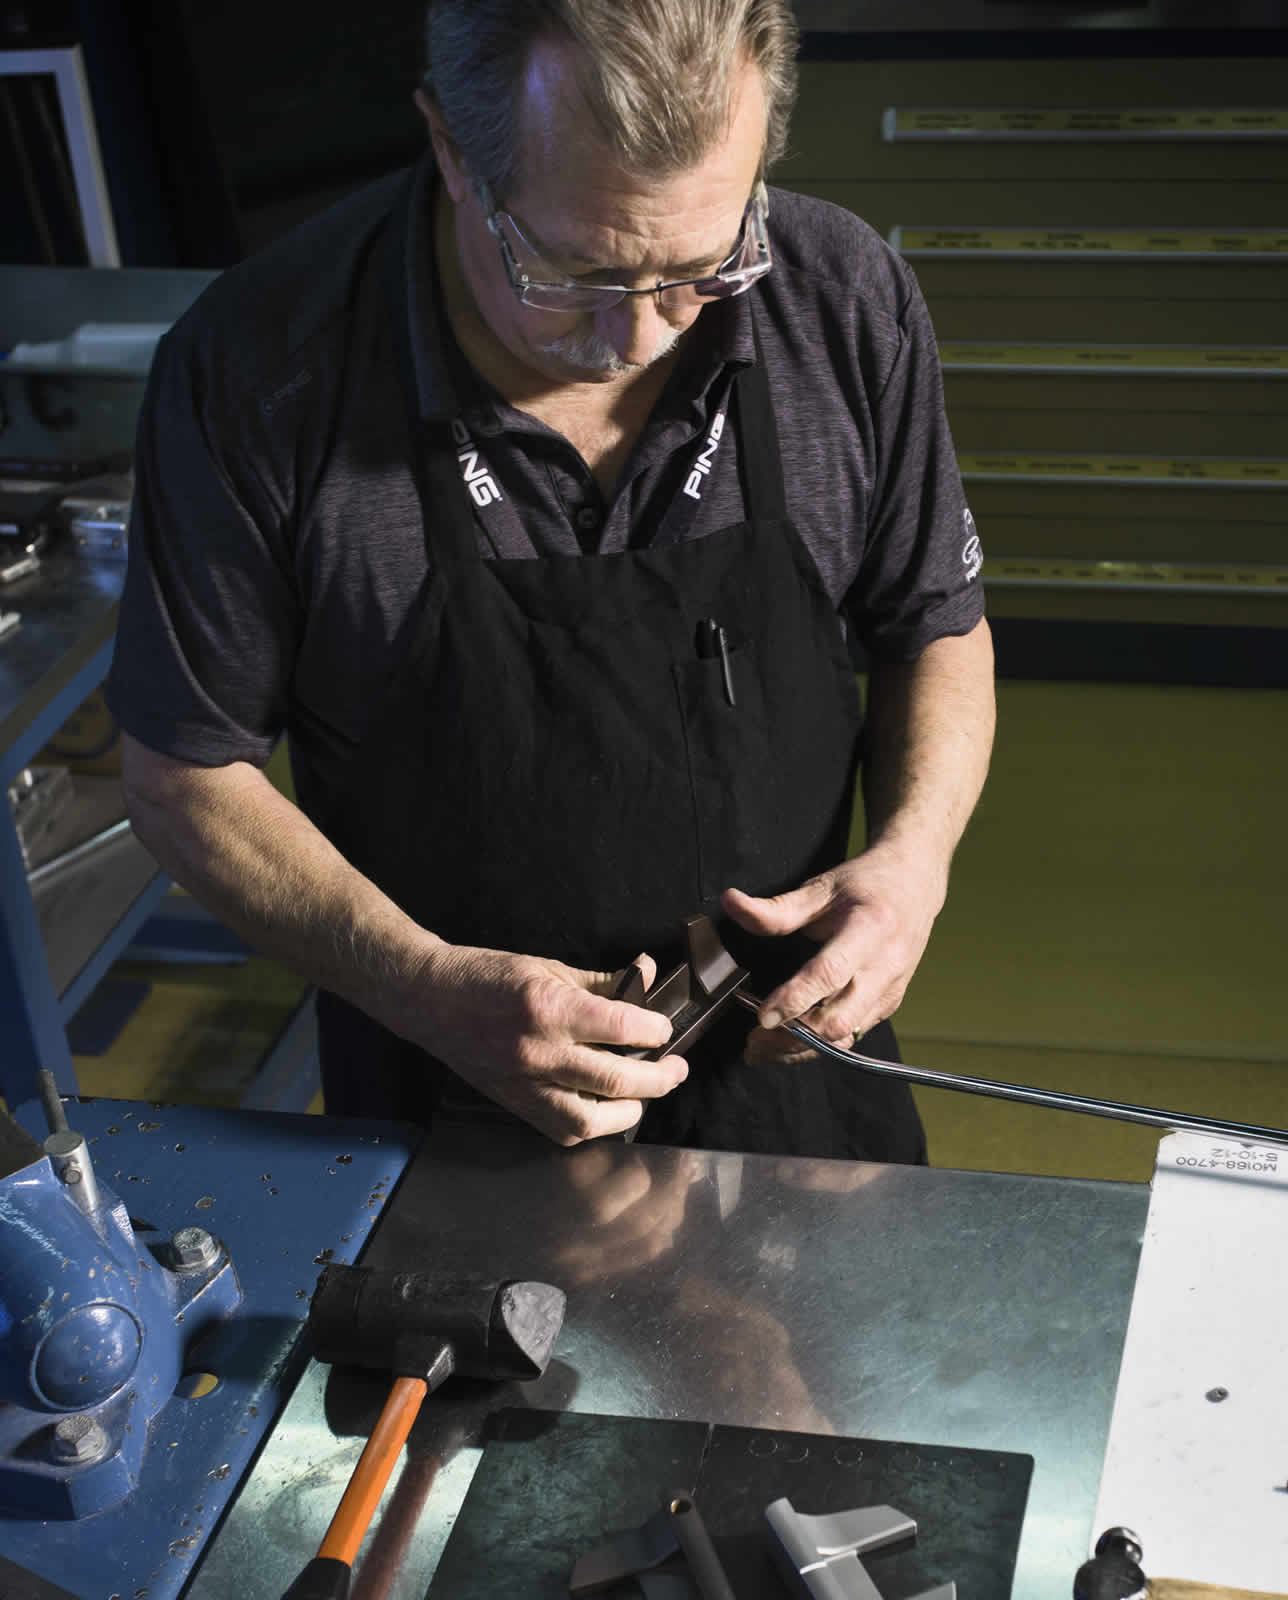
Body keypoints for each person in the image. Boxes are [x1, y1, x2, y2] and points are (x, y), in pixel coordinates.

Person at [113, 0, 994, 1162]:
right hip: (446, 1100)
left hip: (798, 1091)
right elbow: (183, 769)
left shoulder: (842, 302)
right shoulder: (258, 374)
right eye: (574, 269)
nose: (639, 338)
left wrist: (914, 860)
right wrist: (428, 987)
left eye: (701, 266)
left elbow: (934, 625)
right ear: (447, 148)